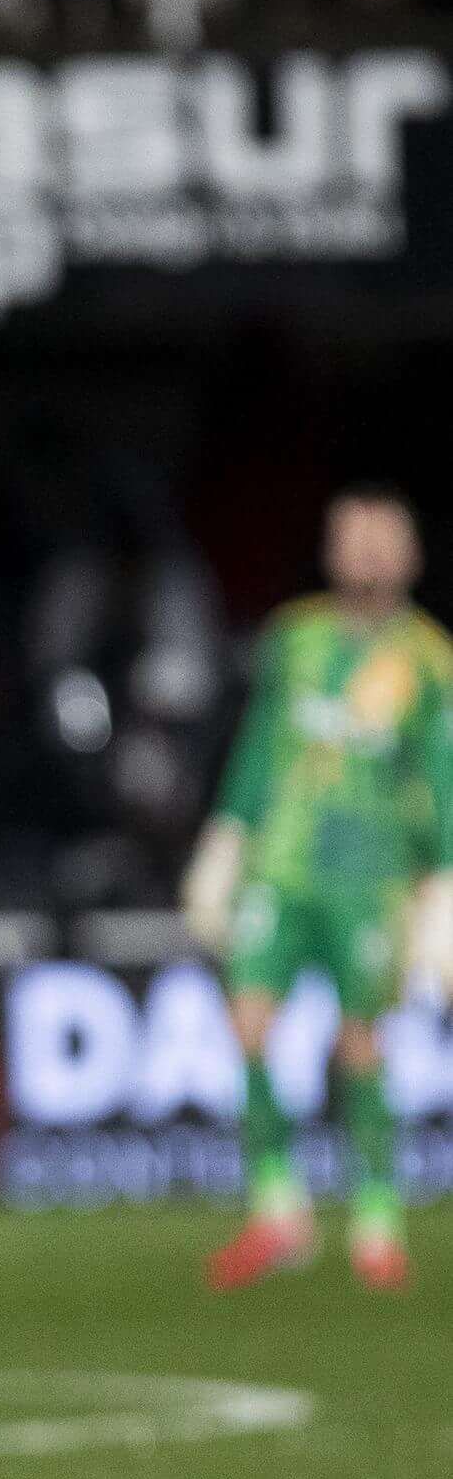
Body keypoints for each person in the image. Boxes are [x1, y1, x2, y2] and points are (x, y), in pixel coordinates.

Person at [183, 487, 453, 1290]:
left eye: (383, 539)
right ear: (331, 551)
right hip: (283, 864)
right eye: (354, 538)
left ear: (410, 556)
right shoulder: (293, 638)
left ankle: (376, 1218)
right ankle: (279, 1210)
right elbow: (262, 744)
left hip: (371, 877)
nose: (367, 554)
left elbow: (440, 776)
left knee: (361, 1040)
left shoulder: (430, 660)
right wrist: (223, 839)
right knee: (249, 1021)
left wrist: (443, 881)